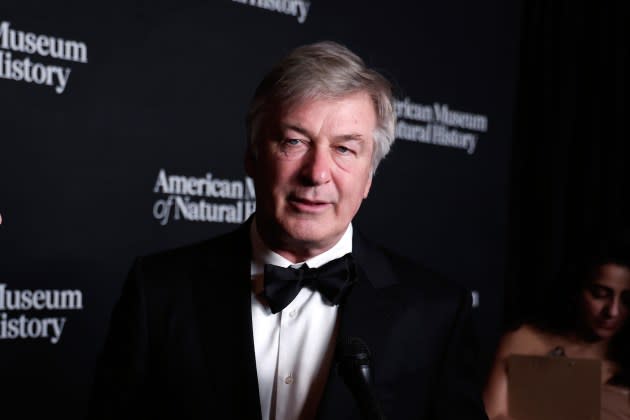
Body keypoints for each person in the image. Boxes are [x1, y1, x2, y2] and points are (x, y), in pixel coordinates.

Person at [88, 41, 488, 420]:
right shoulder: (157, 291)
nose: (316, 173)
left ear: (369, 177)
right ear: (252, 156)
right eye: (294, 141)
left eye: (344, 149)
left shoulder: (436, 312)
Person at [483, 241, 630, 419]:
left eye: (626, 300)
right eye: (600, 294)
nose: (612, 311)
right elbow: (493, 415)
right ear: (577, 288)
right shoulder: (525, 341)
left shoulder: (622, 361)